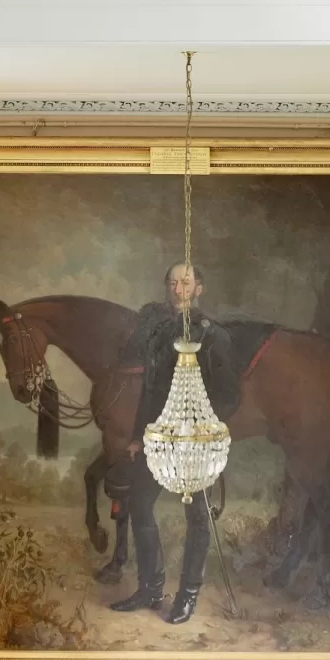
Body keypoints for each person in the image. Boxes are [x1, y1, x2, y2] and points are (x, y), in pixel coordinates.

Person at [110, 262, 239, 624]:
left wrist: (203, 428)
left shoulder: (214, 336)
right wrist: (139, 436)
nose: (177, 289)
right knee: (139, 503)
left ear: (199, 288)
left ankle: (187, 595)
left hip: (196, 442)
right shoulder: (158, 333)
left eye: (186, 282)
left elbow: (230, 396)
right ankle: (151, 589)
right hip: (160, 439)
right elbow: (149, 392)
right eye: (172, 283)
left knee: (197, 516)